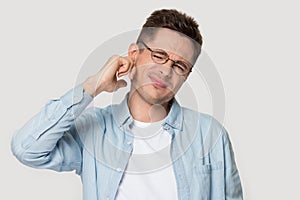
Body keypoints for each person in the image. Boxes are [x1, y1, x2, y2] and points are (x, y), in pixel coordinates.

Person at [11, 9, 243, 200]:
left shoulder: (210, 134)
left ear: (186, 76)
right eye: (159, 55)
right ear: (134, 53)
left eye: (179, 65)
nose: (166, 70)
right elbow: (27, 149)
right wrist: (93, 85)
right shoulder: (95, 129)